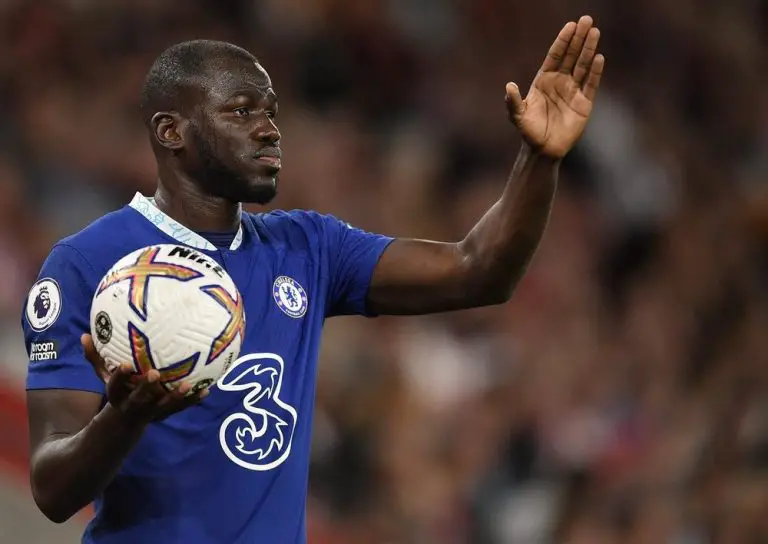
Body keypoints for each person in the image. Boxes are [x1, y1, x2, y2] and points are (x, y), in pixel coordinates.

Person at [22, 15, 603, 544]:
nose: (270, 130)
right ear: (171, 132)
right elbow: (52, 490)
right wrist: (124, 417)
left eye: (271, 112)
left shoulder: (307, 246)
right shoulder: (87, 263)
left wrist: (539, 158)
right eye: (241, 111)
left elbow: (481, 271)